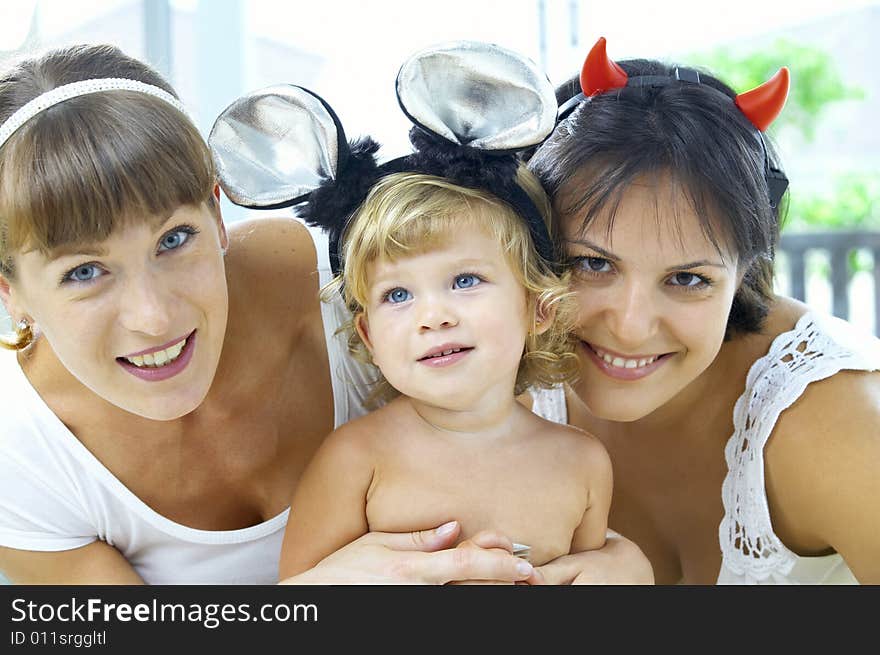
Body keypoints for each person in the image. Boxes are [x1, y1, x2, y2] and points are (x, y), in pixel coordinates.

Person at [0, 43, 648, 584]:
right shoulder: (21, 457)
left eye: (173, 238)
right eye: (84, 271)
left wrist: (621, 564)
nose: (151, 316)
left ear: (217, 213)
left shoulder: (356, 280)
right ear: (10, 293)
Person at [526, 37, 880, 584]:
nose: (630, 325)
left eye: (688, 278)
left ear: (743, 273)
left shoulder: (839, 424)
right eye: (592, 265)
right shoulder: (486, 373)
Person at [279, 169, 612, 579]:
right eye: (397, 295)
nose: (433, 317)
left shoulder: (582, 464)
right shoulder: (355, 459)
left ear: (537, 307)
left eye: (464, 280)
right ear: (369, 337)